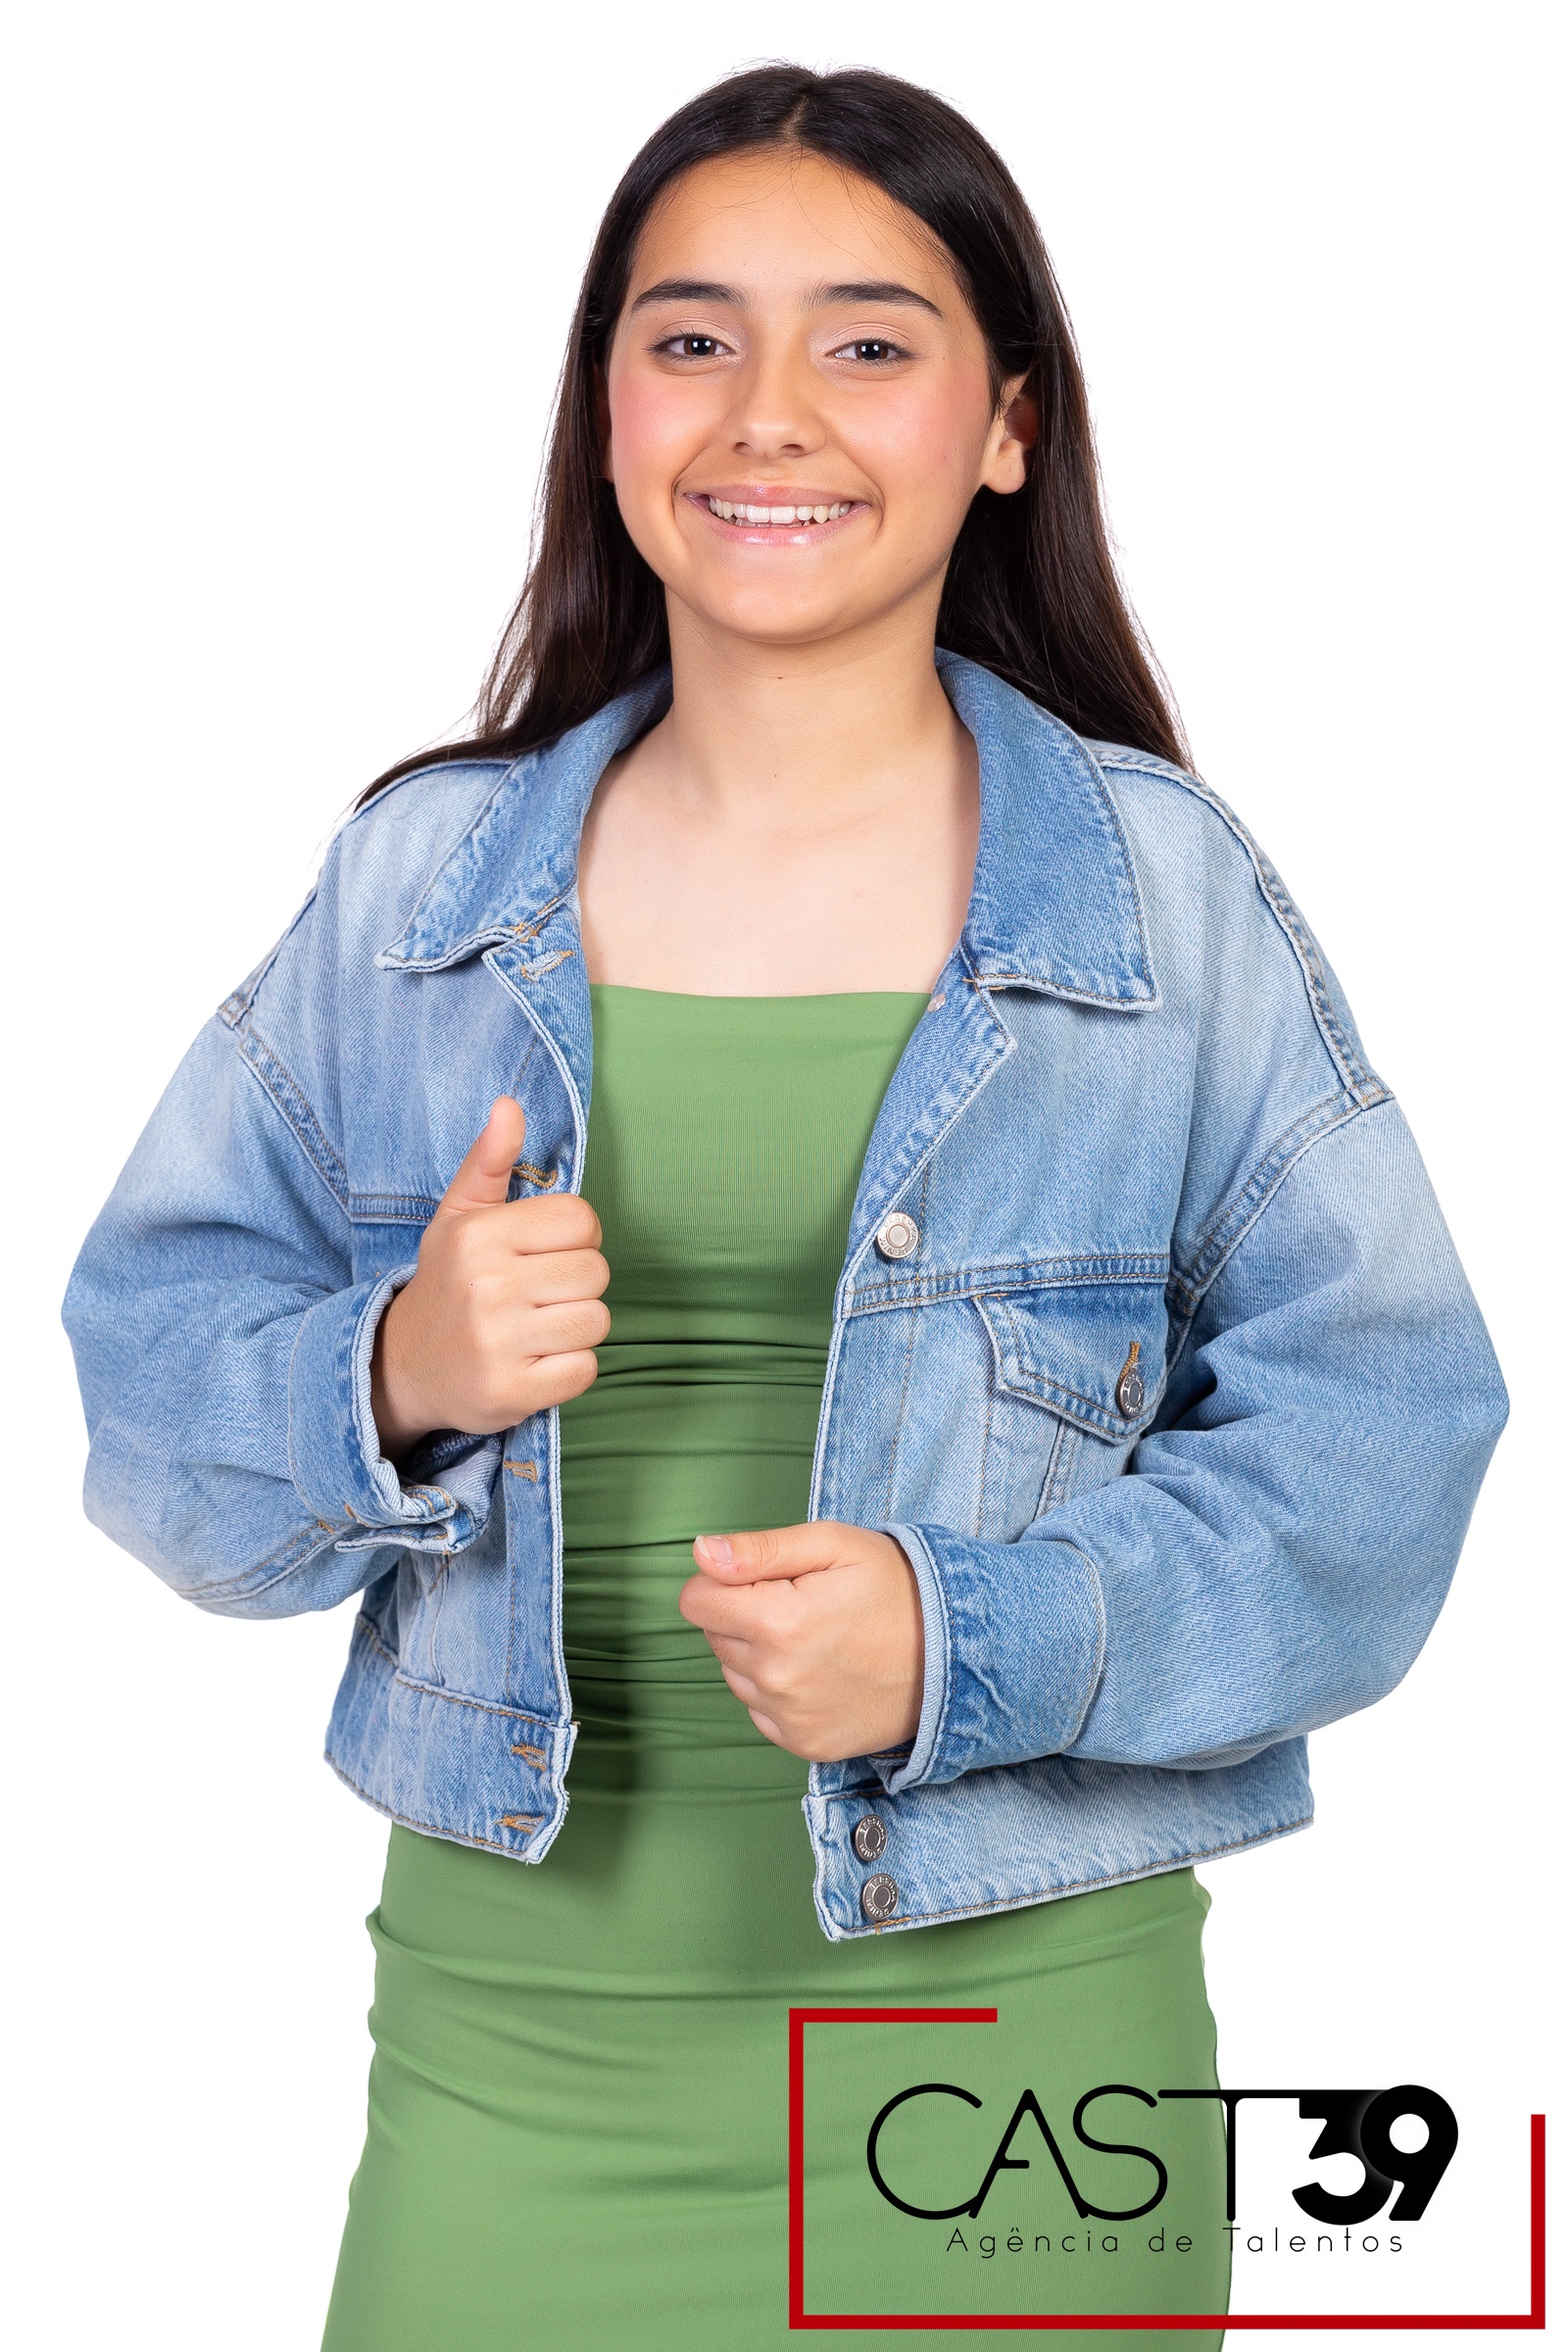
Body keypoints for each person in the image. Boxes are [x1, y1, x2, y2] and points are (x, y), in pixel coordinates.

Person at [63, 63, 1506, 2352]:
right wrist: (397, 1372)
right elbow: (146, 1403)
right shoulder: (420, 890)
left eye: (863, 342)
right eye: (689, 338)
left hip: (1005, 2095)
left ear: (1004, 425)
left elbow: (1384, 1439)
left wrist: (966, 1636)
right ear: (606, 410)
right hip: (512, 2074)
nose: (767, 415)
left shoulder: (1157, 897)